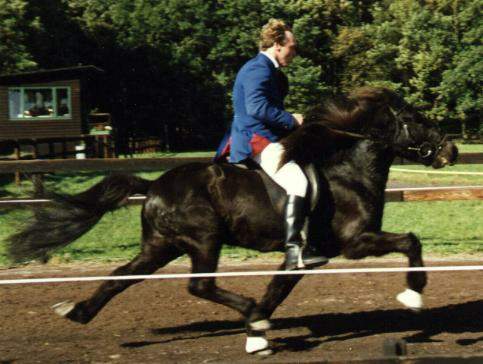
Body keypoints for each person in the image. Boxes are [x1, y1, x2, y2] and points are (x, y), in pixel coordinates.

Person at [215, 19, 327, 270]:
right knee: (298, 181)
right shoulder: (259, 69)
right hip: (256, 140)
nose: (294, 53)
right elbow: (257, 109)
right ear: (278, 44)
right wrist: (291, 120)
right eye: (292, 47)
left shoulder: (267, 69)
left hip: (263, 135)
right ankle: (293, 250)